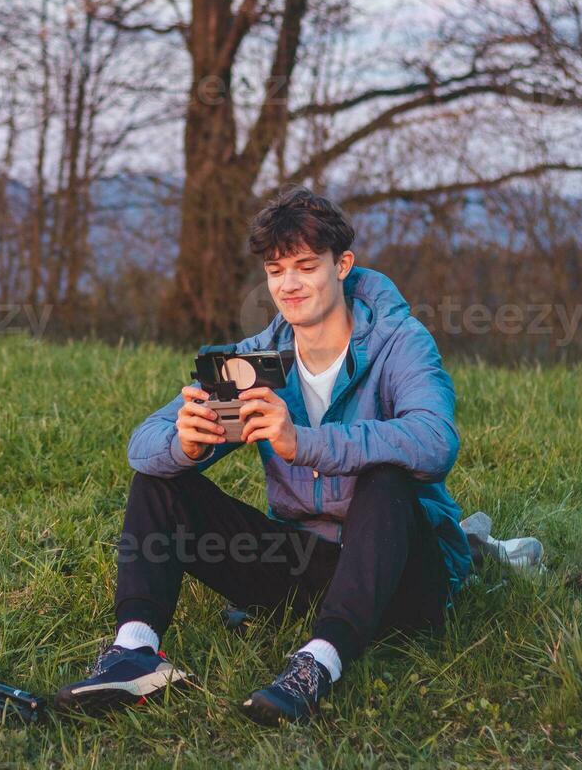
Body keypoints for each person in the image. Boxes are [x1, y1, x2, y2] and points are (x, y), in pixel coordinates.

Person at [54, 188, 473, 725]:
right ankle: (135, 651)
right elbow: (142, 446)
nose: (290, 285)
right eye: (277, 271)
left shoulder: (400, 341)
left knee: (386, 477)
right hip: (305, 565)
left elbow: (435, 441)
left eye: (305, 266)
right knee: (161, 478)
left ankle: (318, 665)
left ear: (342, 265)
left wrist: (303, 441)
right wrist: (185, 443)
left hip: (402, 577)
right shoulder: (255, 360)